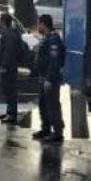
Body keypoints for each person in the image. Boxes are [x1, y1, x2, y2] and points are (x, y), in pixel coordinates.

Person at [31, 13, 65, 143]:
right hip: (43, 77)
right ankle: (45, 129)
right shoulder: (45, 38)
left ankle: (57, 132)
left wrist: (49, 79)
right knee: (43, 105)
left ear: (44, 24)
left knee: (52, 105)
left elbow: (54, 61)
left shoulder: (53, 40)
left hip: (50, 79)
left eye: (39, 23)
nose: (37, 26)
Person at [0, 14, 24, 124]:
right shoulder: (9, 33)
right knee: (8, 90)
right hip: (10, 66)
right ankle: (10, 112)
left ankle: (12, 114)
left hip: (8, 67)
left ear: (2, 22)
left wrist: (4, 66)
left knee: (10, 90)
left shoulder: (8, 35)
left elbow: (9, 52)